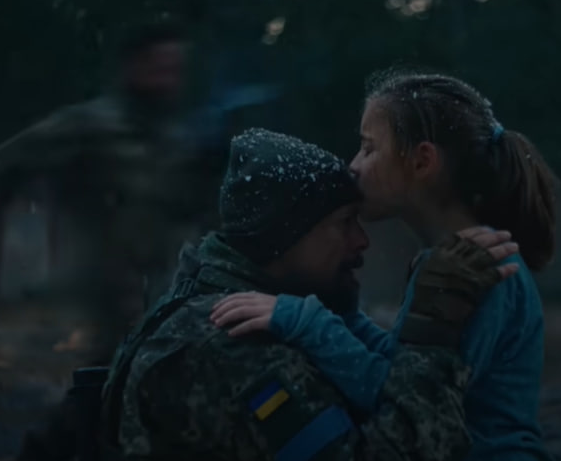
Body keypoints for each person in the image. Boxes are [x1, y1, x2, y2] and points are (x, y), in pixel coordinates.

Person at [101, 128, 520, 460]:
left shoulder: (223, 300)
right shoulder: (232, 339)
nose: (361, 241)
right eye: (344, 222)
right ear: (284, 237)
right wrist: (430, 331)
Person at [211, 70, 558, 460]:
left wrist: (307, 322)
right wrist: (344, 315)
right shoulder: (449, 260)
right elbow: (404, 364)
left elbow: (395, 395)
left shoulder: (480, 267)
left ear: (422, 161)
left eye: (369, 148)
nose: (353, 165)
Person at [0, 19, 208, 461]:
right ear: (133, 67)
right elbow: (7, 166)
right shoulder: (91, 125)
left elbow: (180, 211)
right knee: (106, 386)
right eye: (158, 68)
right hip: (106, 287)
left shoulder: (170, 137)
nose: (168, 81)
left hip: (155, 290)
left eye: (175, 70)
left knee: (132, 388)